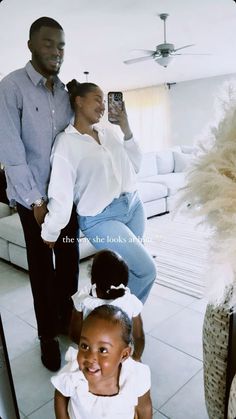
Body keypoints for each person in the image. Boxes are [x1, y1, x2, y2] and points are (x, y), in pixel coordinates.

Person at [0, 17, 79, 372]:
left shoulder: (65, 94)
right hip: (31, 199)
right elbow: (10, 149)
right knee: (42, 271)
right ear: (31, 45)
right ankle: (47, 334)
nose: (56, 51)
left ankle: (66, 320)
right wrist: (36, 202)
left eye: (61, 45)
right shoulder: (11, 87)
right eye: (48, 43)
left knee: (68, 264)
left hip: (65, 199)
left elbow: (74, 144)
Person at [41, 79, 156, 304]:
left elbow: (135, 165)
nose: (103, 106)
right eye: (97, 100)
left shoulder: (109, 132)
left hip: (133, 206)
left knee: (129, 273)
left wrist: (126, 128)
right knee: (147, 271)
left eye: (104, 101)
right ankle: (120, 323)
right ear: (79, 101)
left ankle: (112, 325)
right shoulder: (66, 143)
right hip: (101, 218)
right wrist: (51, 231)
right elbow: (61, 193)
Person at [51, 305, 153, 419]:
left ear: (124, 355)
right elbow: (60, 395)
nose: (90, 357)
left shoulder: (135, 377)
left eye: (102, 350)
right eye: (84, 346)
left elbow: (144, 408)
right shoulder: (73, 375)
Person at [70, 249, 145, 361]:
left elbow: (75, 333)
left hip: (92, 356)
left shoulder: (83, 300)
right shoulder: (131, 302)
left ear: (92, 278)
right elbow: (138, 336)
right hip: (118, 356)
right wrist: (137, 357)